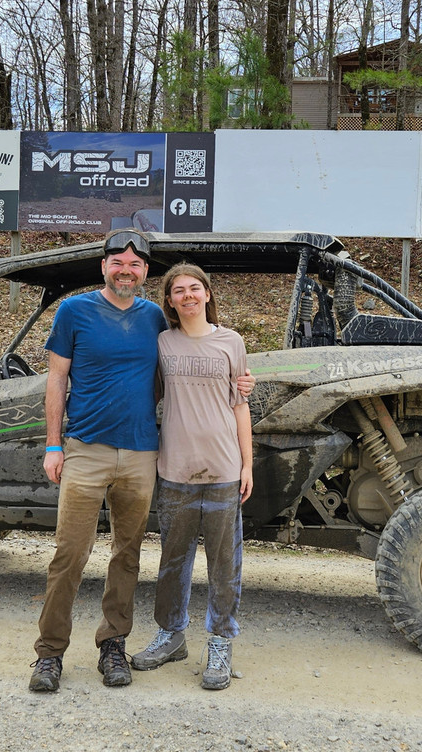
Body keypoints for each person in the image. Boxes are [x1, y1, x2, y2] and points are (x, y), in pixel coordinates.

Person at [28, 230, 253, 693]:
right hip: (85, 448)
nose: (126, 270)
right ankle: (50, 653)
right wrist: (54, 444)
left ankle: (114, 644)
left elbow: (213, 372)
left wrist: (243, 384)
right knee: (69, 554)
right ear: (104, 267)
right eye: (118, 262)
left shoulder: (156, 319)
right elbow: (55, 379)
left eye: (135, 264)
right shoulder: (74, 311)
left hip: (142, 453)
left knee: (127, 555)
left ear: (145, 273)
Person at [129, 263, 252, 690]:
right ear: (169, 301)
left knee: (224, 564)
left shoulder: (231, 342)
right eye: (178, 290)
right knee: (172, 560)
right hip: (175, 470)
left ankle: (220, 641)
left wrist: (247, 464)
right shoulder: (162, 342)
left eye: (194, 288)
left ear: (207, 293)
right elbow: (147, 387)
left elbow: (240, 404)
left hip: (222, 468)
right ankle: (170, 635)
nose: (187, 295)